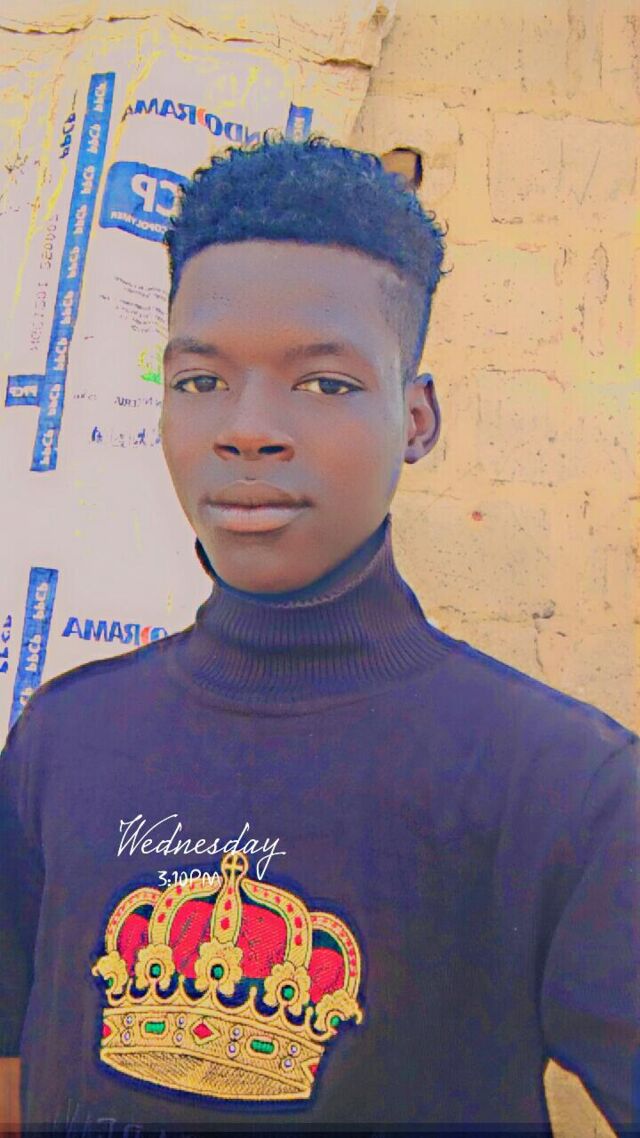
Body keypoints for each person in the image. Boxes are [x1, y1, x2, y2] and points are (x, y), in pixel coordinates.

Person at [0, 135, 638, 1137]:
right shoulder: (62, 737)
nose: (247, 429)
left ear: (416, 419)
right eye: (199, 380)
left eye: (324, 383)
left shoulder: (565, 784)